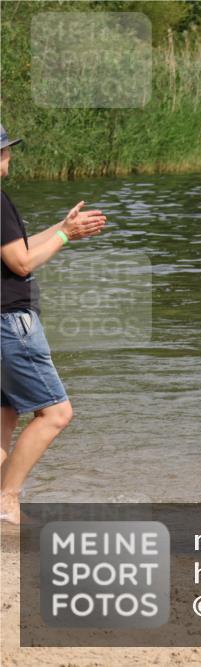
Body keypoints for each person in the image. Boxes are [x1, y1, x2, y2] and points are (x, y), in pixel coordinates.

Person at [1, 124, 107, 524]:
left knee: (6, 415)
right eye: (6, 150)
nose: (9, 156)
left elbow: (17, 249)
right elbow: (21, 263)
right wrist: (64, 236)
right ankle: (7, 501)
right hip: (12, 324)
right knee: (56, 413)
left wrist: (64, 229)